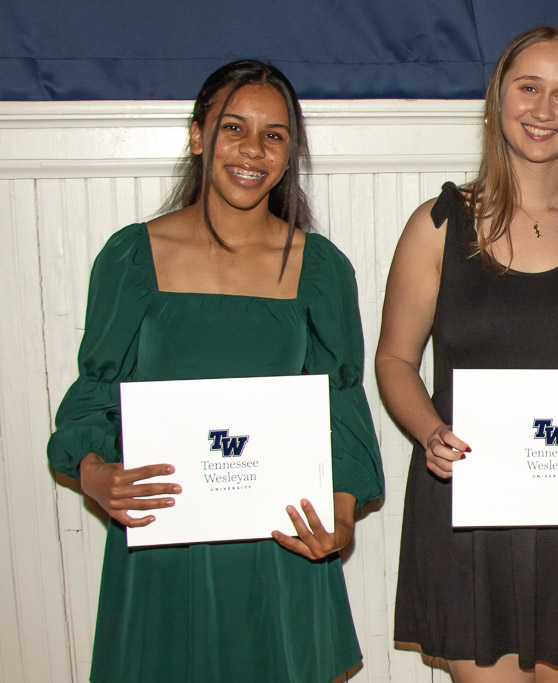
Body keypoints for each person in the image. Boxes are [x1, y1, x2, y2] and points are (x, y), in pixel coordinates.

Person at [46, 60, 383, 682]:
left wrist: (338, 520)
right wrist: (97, 475)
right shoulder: (131, 257)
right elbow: (95, 396)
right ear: (198, 135)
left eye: (274, 135)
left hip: (280, 553)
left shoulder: (322, 269)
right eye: (234, 128)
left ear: (289, 152)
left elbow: (342, 407)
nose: (252, 150)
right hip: (165, 544)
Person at [376, 26, 558, 683]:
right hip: (470, 503)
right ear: (496, 99)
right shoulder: (437, 225)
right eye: (528, 87)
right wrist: (430, 433)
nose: (543, 109)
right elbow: (394, 359)